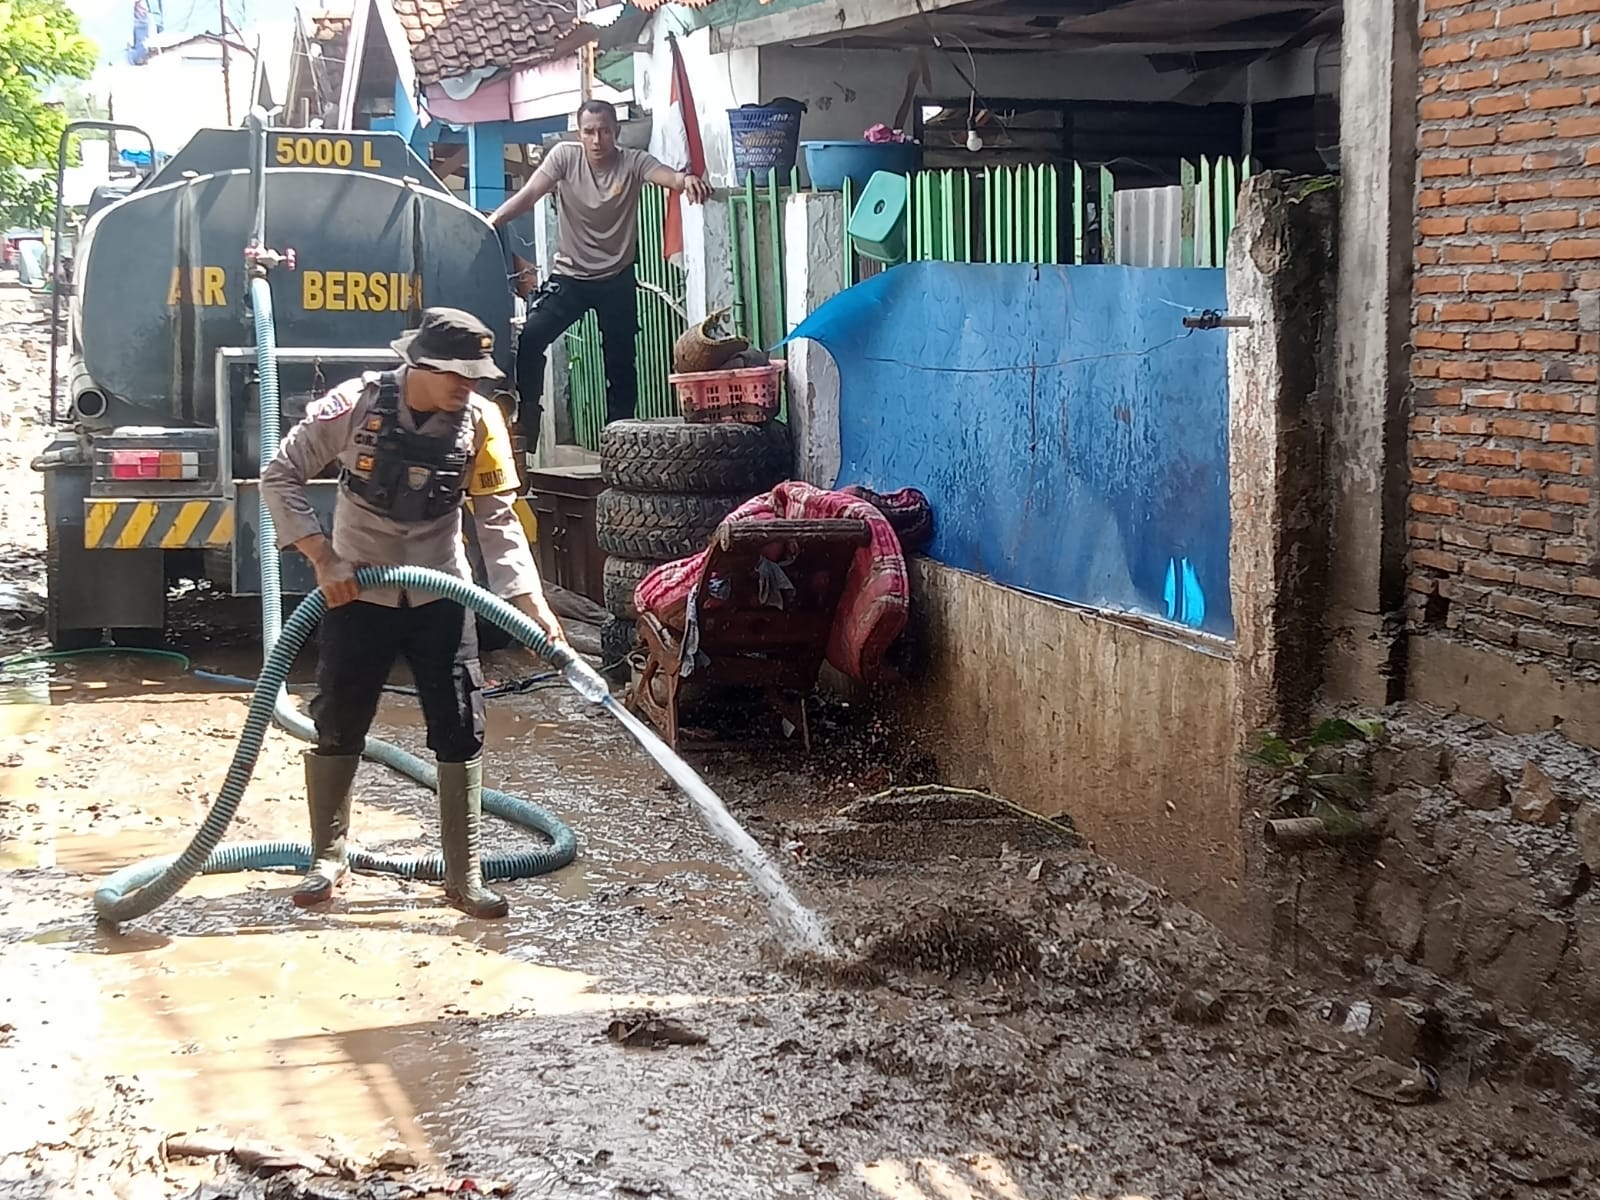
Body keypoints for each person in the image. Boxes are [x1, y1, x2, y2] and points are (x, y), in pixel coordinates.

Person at [261, 307, 567, 919]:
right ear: (418, 365)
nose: (467, 385)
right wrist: (322, 557)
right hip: (358, 594)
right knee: (340, 718)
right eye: (455, 373)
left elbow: (497, 518)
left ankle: (465, 874)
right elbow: (280, 475)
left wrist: (529, 606)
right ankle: (328, 856)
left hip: (441, 595)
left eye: (475, 374)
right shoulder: (355, 405)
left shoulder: (481, 421)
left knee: (460, 724)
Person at [488, 100, 712, 451]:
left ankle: (619, 436)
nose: (596, 139)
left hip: (616, 279)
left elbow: (665, 175)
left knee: (621, 362)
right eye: (589, 131)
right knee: (531, 337)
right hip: (571, 277)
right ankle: (528, 414)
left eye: (604, 130)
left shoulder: (632, 162)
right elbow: (530, 193)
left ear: (616, 131)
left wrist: (687, 182)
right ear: (579, 133)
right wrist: (491, 223)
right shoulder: (564, 157)